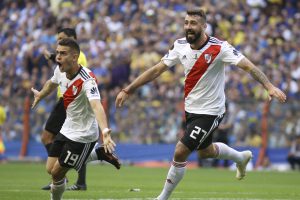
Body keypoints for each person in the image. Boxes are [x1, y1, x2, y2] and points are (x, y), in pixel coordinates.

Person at [115, 8, 286, 200]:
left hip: (211, 111)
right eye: (186, 23)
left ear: (204, 26)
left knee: (180, 151)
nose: (188, 27)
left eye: (193, 23)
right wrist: (128, 89)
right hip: (192, 110)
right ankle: (241, 157)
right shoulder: (180, 45)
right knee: (206, 152)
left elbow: (248, 66)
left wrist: (269, 86)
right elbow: (156, 70)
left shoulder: (220, 47)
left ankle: (162, 198)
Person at [32, 38, 117, 200]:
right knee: (50, 168)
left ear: (74, 57)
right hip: (67, 128)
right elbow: (52, 83)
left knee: (57, 173)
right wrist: (41, 94)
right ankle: (98, 154)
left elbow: (96, 105)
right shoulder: (60, 70)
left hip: (83, 135)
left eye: (62, 54)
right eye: (57, 53)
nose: (58, 57)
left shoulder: (87, 79)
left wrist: (105, 130)